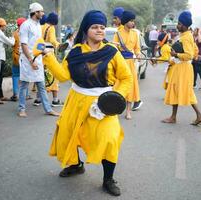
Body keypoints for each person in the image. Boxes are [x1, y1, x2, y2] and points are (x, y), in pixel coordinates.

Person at [40, 10, 132, 196]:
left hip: (103, 103)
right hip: (77, 100)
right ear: (86, 29)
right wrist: (48, 57)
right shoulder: (75, 52)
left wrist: (113, 100)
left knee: (109, 138)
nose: (99, 30)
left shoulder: (112, 52)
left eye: (102, 27)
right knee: (69, 134)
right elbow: (64, 76)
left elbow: (126, 78)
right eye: (94, 27)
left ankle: (108, 179)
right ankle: (75, 165)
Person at [162, 11, 201, 125]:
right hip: (180, 67)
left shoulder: (186, 37)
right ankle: (173, 117)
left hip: (183, 68)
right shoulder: (185, 36)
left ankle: (198, 115)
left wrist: (176, 55)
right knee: (176, 90)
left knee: (186, 91)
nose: (178, 25)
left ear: (185, 25)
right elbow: (195, 50)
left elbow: (189, 55)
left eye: (180, 24)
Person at [18, 2, 59, 117]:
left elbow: (39, 43)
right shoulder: (26, 25)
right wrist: (31, 61)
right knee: (24, 85)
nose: (43, 13)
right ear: (35, 13)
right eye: (41, 11)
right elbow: (24, 45)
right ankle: (22, 109)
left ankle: (48, 109)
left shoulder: (37, 25)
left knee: (41, 85)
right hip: (27, 60)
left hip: (38, 59)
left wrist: (46, 51)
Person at [113, 10, 141, 119]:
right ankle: (114, 109)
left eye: (133, 21)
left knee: (130, 86)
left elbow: (137, 48)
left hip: (131, 63)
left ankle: (128, 111)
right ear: (125, 21)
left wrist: (138, 54)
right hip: (120, 62)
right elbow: (114, 48)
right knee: (118, 85)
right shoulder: (118, 33)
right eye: (131, 21)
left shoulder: (135, 33)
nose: (133, 23)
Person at [0, 18, 15, 104]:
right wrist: (13, 37)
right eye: (5, 25)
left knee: (0, 77)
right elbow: (11, 43)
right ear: (2, 25)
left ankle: (0, 96)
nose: (5, 27)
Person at [41, 12, 62, 107]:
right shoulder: (51, 28)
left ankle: (38, 99)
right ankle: (55, 100)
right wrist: (59, 45)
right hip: (49, 54)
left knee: (42, 76)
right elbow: (53, 40)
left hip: (41, 53)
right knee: (54, 76)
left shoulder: (41, 26)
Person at [11, 17, 28, 102]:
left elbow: (12, 44)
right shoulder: (27, 34)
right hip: (25, 57)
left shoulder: (15, 33)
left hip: (16, 57)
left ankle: (15, 94)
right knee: (25, 76)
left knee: (15, 75)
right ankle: (26, 94)